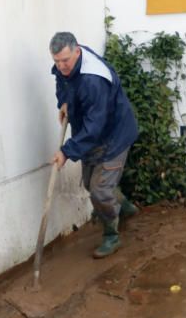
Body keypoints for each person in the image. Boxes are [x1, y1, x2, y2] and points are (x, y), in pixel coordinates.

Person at [50, 32, 139, 258]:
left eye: (65, 61)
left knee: (99, 191)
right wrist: (64, 101)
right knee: (92, 185)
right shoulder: (69, 64)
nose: (61, 66)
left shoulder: (93, 80)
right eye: (57, 61)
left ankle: (112, 235)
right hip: (93, 134)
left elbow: (95, 126)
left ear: (77, 51)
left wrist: (66, 152)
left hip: (113, 136)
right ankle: (125, 207)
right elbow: (63, 82)